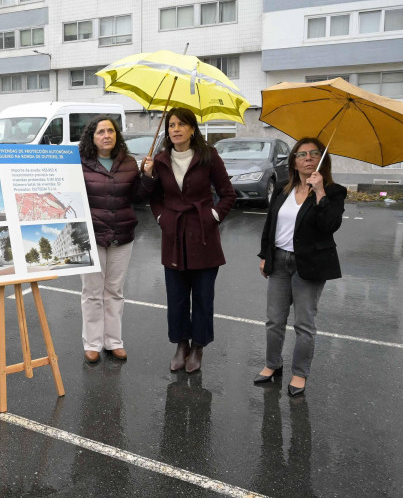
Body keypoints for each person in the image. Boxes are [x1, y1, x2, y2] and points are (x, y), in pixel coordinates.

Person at [141, 107, 236, 374]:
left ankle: (198, 347)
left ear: (193, 129)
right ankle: (181, 344)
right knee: (177, 298)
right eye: (171, 125)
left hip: (204, 237)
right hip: (174, 236)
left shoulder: (209, 156)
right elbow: (153, 198)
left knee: (204, 297)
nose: (176, 129)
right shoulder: (159, 160)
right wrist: (162, 218)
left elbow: (229, 194)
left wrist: (213, 216)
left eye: (182, 124)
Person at [255, 138, 346, 397]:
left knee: (304, 324)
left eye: (314, 153)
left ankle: (299, 373)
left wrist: (319, 192)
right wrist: (265, 255)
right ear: (293, 161)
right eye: (302, 154)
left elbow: (329, 226)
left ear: (322, 159)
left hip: (310, 265)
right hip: (280, 262)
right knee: (274, 320)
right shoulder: (283, 188)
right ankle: (273, 364)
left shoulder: (334, 191)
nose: (308, 158)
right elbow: (270, 225)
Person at [77, 116, 145, 364]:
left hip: (122, 235)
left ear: (117, 135)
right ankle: (92, 343)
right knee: (92, 292)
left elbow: (138, 196)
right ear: (91, 138)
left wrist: (147, 176)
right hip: (91, 236)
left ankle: (113, 342)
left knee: (114, 291)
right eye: (100, 132)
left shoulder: (128, 163)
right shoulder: (80, 162)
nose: (106, 135)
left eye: (110, 131)